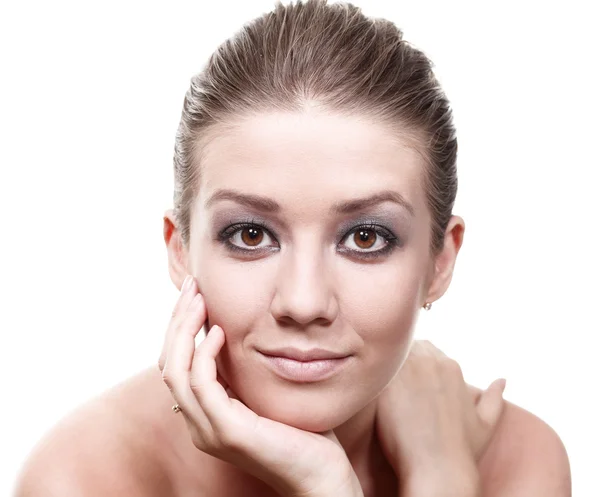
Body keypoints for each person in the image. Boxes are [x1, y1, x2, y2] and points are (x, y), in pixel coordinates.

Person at [14, 0, 571, 496]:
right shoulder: (86, 479)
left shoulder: (516, 463)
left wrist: (440, 474)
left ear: (440, 261)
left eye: (365, 237)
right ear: (180, 250)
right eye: (251, 235)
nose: (303, 303)